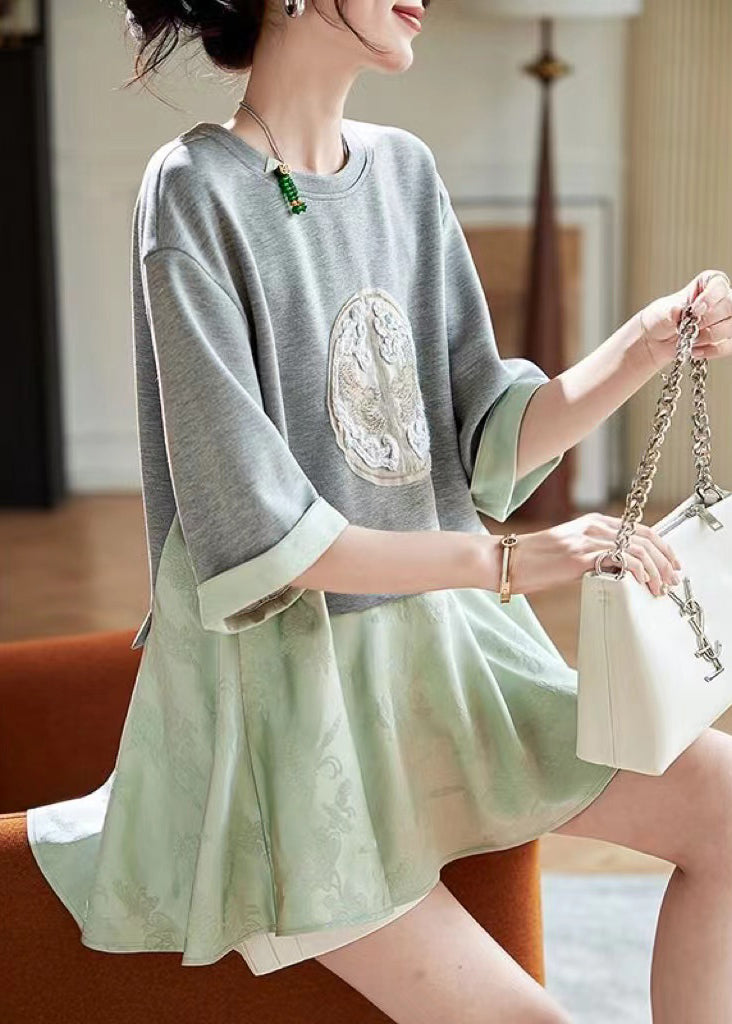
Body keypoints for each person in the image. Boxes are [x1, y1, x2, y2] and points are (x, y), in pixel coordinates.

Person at [25, 0, 732, 1020]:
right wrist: (513, 562)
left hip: (450, 667)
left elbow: (484, 438)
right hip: (297, 714)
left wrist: (643, 344)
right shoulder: (191, 192)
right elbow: (260, 531)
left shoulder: (403, 171)